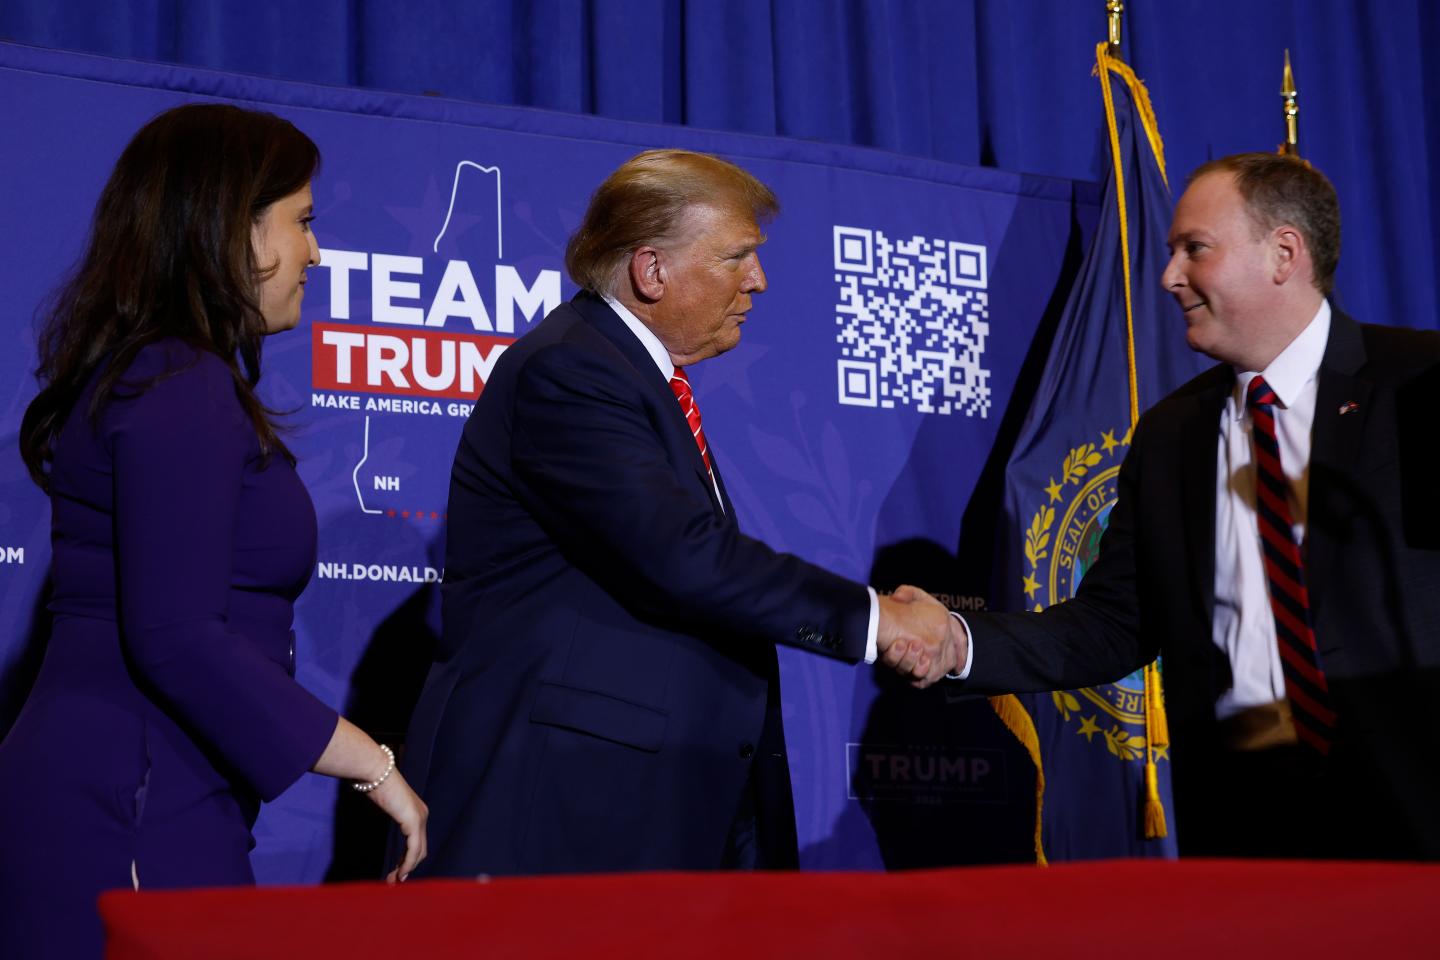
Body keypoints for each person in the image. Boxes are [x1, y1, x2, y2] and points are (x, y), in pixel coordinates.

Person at [403, 149, 953, 877]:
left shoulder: (636, 381)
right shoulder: (570, 370)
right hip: (568, 816)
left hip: (658, 809)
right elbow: (683, 555)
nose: (758, 280)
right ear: (651, 270)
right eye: (736, 256)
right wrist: (876, 620)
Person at [0, 103, 427, 958]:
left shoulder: (162, 375)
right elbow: (178, 638)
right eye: (302, 223)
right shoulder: (177, 384)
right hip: (128, 798)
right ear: (231, 230)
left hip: (147, 786)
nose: (316, 251)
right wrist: (376, 768)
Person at [942, 152, 1440, 858]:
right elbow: (1113, 624)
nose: (1171, 275)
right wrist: (957, 643)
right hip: (1244, 826)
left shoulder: (1420, 383)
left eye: (1194, 250)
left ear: (1283, 253)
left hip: (1414, 811)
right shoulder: (1172, 432)